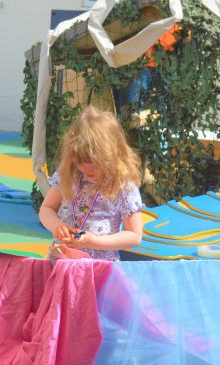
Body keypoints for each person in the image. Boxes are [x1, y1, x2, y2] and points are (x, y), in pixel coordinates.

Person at [38, 107, 145, 261]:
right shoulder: (70, 174)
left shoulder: (123, 185)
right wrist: (56, 226)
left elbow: (134, 236)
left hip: (99, 266)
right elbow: (46, 209)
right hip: (64, 259)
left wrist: (93, 241)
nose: (87, 167)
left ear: (111, 154)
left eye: (94, 162)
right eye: (80, 161)